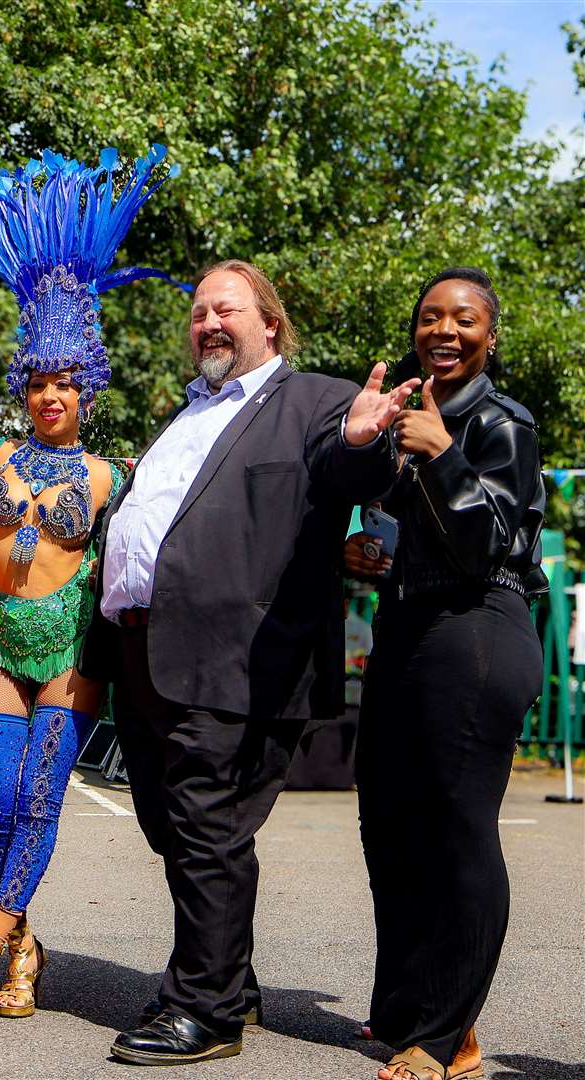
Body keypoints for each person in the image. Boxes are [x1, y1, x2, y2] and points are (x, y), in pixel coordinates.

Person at [79, 259, 420, 1066]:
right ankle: (226, 978)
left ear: (270, 321)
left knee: (206, 824)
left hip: (241, 656)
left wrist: (365, 441)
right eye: (198, 313)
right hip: (146, 652)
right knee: (174, 826)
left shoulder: (317, 402)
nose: (208, 324)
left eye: (226, 309)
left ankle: (207, 1012)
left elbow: (353, 468)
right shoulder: (187, 411)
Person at [0, 146, 176, 1035]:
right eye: (37, 382)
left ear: (89, 388)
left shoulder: (115, 476)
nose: (49, 396)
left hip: (71, 646)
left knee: (38, 799)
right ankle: (26, 943)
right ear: (23, 385)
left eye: (65, 383)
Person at [343, 268, 545, 1080]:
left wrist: (446, 458)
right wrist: (361, 556)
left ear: (490, 337)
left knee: (459, 831)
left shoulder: (502, 422)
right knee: (388, 821)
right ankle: (402, 1009)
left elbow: (488, 543)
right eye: (431, 318)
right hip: (407, 625)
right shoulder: (404, 424)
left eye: (463, 320)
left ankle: (446, 1033)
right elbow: (398, 530)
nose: (444, 331)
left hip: (480, 628)